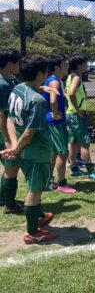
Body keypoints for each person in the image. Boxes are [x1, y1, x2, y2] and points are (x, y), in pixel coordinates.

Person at [6, 55, 57, 244]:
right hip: (36, 152)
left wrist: (14, 146)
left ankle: (38, 216)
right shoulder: (38, 101)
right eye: (46, 70)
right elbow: (29, 132)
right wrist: (17, 149)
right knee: (34, 191)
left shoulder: (17, 88)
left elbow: (10, 119)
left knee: (33, 186)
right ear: (41, 73)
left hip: (23, 150)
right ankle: (32, 232)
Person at [65, 53, 95, 180]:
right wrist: (78, 109)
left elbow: (66, 93)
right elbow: (70, 93)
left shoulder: (70, 77)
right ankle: (91, 171)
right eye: (85, 63)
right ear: (79, 65)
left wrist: (72, 106)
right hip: (76, 114)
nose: (87, 66)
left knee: (73, 142)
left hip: (70, 114)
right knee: (85, 143)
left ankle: (74, 169)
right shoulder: (76, 78)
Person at [42, 55, 76, 193]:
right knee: (63, 152)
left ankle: (48, 181)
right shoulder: (54, 82)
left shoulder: (52, 80)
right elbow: (52, 100)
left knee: (54, 152)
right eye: (64, 64)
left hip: (50, 121)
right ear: (57, 67)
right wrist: (56, 114)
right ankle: (62, 183)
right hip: (56, 122)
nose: (67, 66)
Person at [0, 49, 23, 213]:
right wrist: (8, 139)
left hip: (11, 130)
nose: (20, 66)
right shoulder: (1, 84)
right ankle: (10, 205)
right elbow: (0, 115)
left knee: (10, 167)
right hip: (4, 134)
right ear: (10, 65)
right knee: (11, 168)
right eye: (18, 62)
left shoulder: (12, 79)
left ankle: (3, 197)